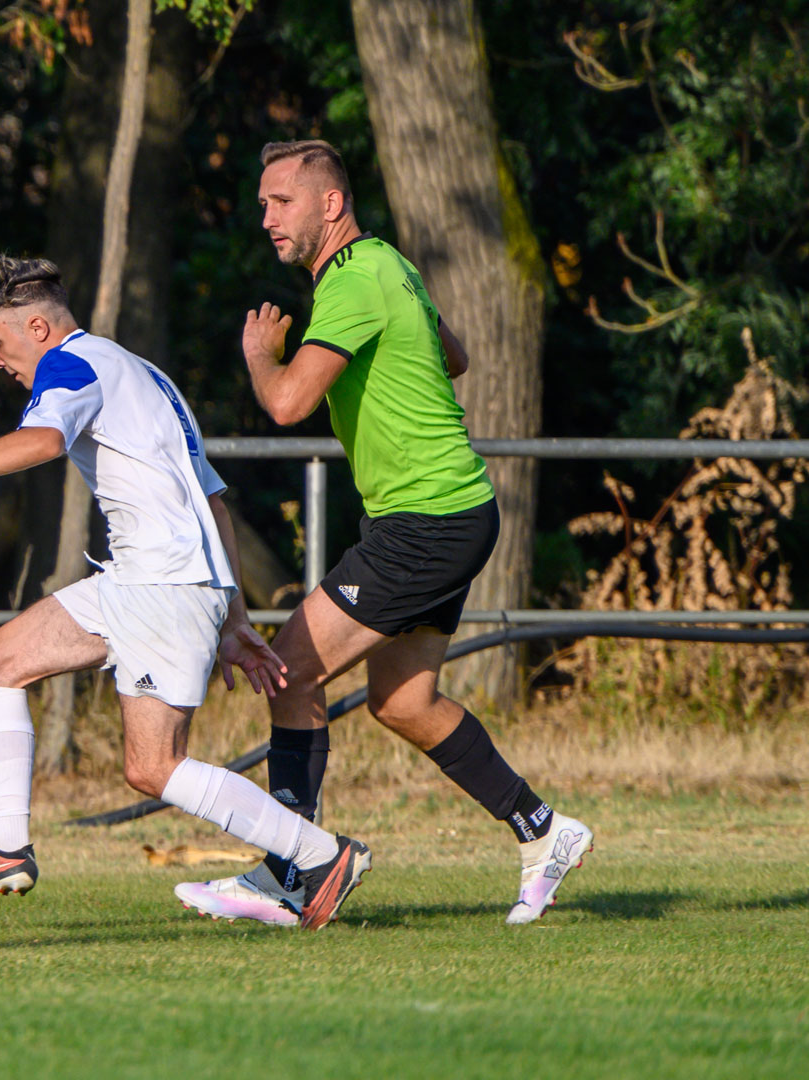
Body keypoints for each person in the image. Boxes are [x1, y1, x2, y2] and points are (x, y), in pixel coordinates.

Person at [0, 255, 371, 931]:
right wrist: (232, 615)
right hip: (146, 581)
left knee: (154, 767)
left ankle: (320, 854)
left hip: (162, 586)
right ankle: (5, 848)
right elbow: (213, 502)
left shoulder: (71, 364)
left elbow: (42, 441)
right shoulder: (141, 371)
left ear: (38, 328)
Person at [176, 140, 592, 927]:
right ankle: (542, 830)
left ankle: (293, 871)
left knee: (290, 671)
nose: (266, 218)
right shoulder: (386, 265)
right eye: (262, 204)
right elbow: (453, 356)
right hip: (450, 511)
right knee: (403, 702)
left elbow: (287, 403)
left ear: (330, 204)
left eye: (281, 202)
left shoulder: (351, 279)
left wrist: (260, 355)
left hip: (427, 520)